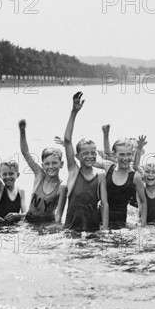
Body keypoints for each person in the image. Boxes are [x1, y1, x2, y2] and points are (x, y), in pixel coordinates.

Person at [63, 91, 108, 232]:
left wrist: (105, 229)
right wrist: (74, 112)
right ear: (77, 156)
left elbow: (105, 204)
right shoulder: (73, 171)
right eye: (85, 153)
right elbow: (67, 140)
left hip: (92, 227)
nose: (90, 156)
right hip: (72, 227)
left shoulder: (100, 177)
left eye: (93, 153)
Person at [19, 119, 67, 225]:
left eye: (54, 163)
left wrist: (55, 228)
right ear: (43, 166)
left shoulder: (62, 187)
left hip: (46, 223)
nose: (51, 167)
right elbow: (25, 153)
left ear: (61, 164)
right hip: (29, 220)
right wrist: (22, 131)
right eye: (47, 164)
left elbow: (59, 215)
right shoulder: (39, 175)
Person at [106, 137, 147, 228]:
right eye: (122, 154)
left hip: (120, 220)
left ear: (132, 154)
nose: (126, 158)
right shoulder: (108, 167)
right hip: (101, 217)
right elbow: (89, 163)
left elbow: (143, 201)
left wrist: (143, 225)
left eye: (129, 154)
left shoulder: (135, 177)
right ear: (114, 154)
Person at [0, 146, 26, 226]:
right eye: (4, 174)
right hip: (0, 230)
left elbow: (25, 214)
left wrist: (17, 215)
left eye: (11, 173)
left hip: (15, 230)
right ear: (0, 176)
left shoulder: (21, 192)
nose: (8, 177)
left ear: (18, 175)